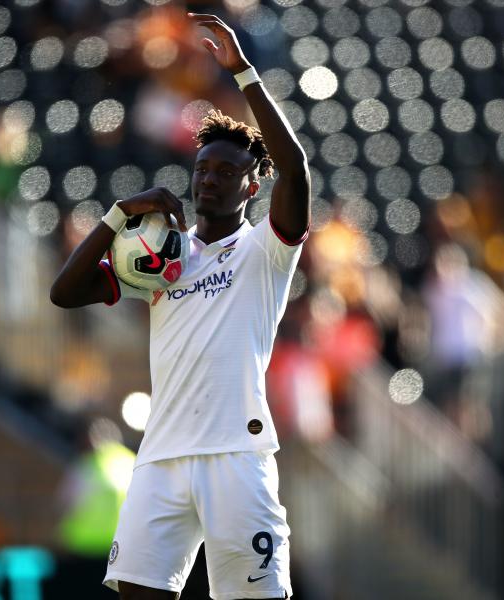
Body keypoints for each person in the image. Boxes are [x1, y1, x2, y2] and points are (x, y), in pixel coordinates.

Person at [51, 12, 310, 600]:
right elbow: (64, 292)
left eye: (227, 172)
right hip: (162, 455)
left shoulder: (266, 249)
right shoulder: (160, 256)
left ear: (253, 185)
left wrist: (242, 73)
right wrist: (120, 213)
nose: (209, 180)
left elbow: (294, 167)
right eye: (202, 169)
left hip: (236, 456)